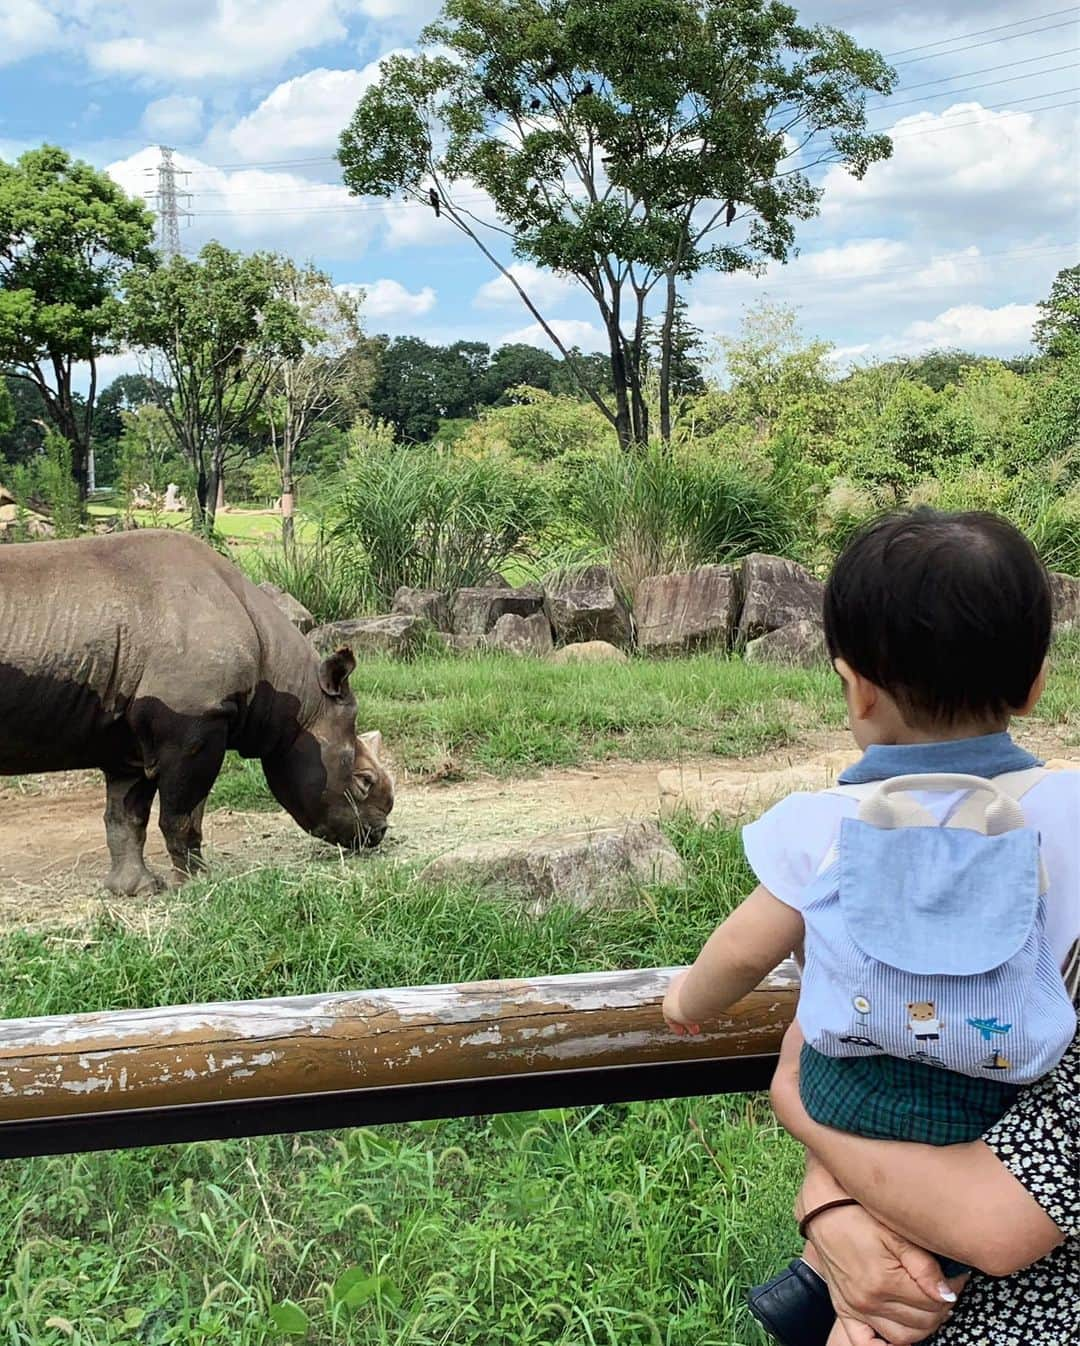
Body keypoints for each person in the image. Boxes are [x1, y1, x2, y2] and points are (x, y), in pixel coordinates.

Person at [661, 509, 1080, 1343]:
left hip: (853, 1092)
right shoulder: (1069, 810)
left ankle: (845, 1309)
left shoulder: (821, 824)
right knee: (923, 1246)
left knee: (872, 1267)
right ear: (1035, 684)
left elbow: (742, 949)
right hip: (1001, 1092)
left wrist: (683, 1001)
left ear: (855, 687)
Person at [770, 1018, 1079, 1345]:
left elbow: (996, 1225)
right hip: (908, 1273)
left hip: (993, 1298)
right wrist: (827, 1198)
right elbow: (829, 1014)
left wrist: (799, 1114)